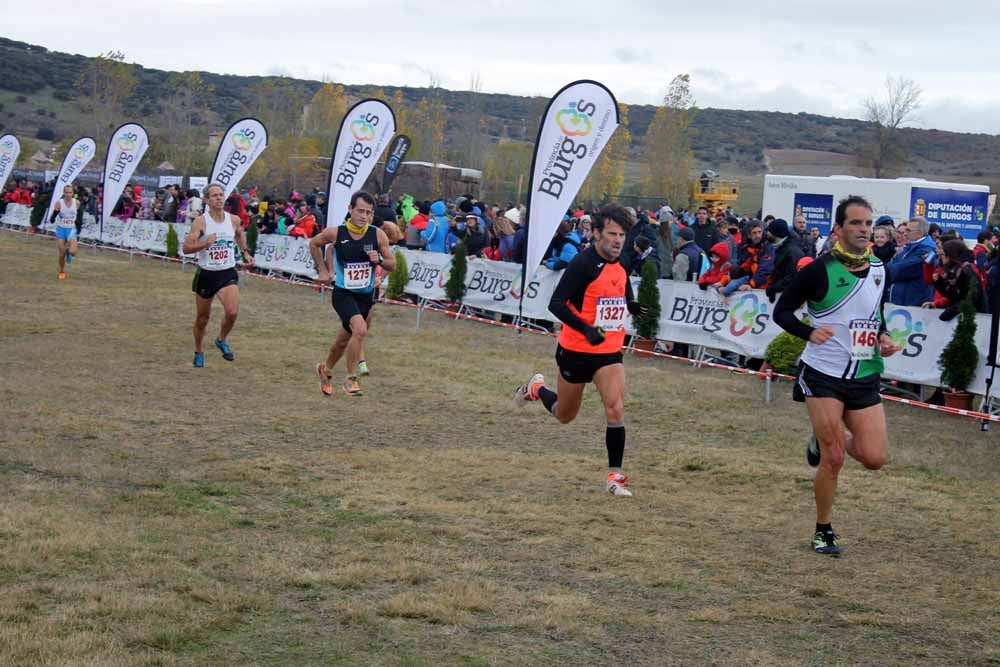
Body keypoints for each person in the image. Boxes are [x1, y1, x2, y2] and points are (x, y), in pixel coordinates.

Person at [774, 195, 902, 557]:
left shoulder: (880, 268)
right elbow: (782, 312)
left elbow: (875, 312)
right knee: (834, 459)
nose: (864, 230)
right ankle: (823, 529)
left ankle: (822, 437)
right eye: (855, 223)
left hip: (863, 371)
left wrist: (884, 337)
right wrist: (808, 332)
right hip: (823, 373)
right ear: (839, 228)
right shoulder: (818, 270)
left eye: (868, 223)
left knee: (875, 458)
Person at [513, 203, 647, 497]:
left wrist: (633, 306)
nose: (618, 241)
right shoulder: (582, 264)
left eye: (622, 235)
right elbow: (556, 304)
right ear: (596, 233)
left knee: (615, 407)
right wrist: (586, 329)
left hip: (608, 350)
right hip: (575, 351)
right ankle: (536, 389)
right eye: (612, 234)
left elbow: (623, 288)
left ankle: (615, 477)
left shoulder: (623, 260)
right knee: (565, 414)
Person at [310, 191, 395, 397]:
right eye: (360, 211)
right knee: (360, 330)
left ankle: (326, 370)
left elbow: (392, 264)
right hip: (343, 294)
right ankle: (350, 379)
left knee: (343, 341)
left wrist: (379, 260)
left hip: (365, 297)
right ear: (350, 209)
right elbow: (314, 243)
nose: (364, 216)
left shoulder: (377, 235)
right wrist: (322, 270)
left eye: (368, 212)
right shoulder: (336, 233)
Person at [182, 184, 255, 367]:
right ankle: (199, 350)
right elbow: (186, 248)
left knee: (232, 312)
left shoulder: (234, 219)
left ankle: (221, 339)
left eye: (221, 195)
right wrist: (205, 244)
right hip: (207, 274)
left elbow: (239, 234)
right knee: (202, 318)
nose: (219, 198)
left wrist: (245, 253)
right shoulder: (201, 222)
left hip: (227, 272)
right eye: (214, 195)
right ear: (207, 200)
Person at [888, 217, 937, 306]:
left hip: (913, 303)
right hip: (901, 302)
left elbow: (902, 270)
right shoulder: (910, 246)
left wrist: (883, 269)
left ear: (919, 233)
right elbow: (894, 263)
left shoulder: (928, 250)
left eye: (908, 230)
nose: (905, 233)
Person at [765, 218, 804, 303]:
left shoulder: (792, 251)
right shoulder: (781, 248)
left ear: (776, 233)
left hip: (790, 299)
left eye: (769, 231)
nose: (767, 233)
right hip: (781, 295)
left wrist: (774, 288)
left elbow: (792, 277)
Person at [50, 184, 79, 280]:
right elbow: (54, 214)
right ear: (64, 193)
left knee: (73, 252)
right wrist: (52, 218)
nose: (68, 194)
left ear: (73, 193)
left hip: (71, 229)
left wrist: (78, 226)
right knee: (61, 254)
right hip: (61, 229)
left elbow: (79, 215)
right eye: (66, 192)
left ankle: (69, 253)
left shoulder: (77, 203)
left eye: (70, 192)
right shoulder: (59, 203)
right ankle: (62, 271)